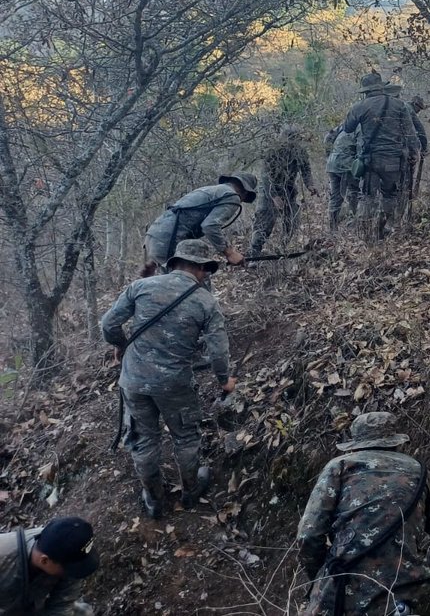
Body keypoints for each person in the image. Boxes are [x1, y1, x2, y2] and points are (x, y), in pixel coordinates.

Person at [101, 239, 236, 518]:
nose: (206, 275)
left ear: (174, 263)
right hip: (175, 384)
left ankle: (154, 499)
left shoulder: (141, 287)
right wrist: (224, 380)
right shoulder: (205, 301)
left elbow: (108, 324)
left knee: (143, 439)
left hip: (134, 380)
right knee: (185, 436)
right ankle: (190, 490)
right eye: (205, 270)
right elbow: (218, 350)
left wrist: (120, 345)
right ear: (200, 268)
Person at [297, 412, 430, 616]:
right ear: (395, 443)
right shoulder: (419, 472)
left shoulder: (339, 467)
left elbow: (308, 537)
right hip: (412, 595)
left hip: (347, 595)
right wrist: (422, 572)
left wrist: (323, 576)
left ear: (356, 444)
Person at [339, 74, 420, 240]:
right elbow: (411, 133)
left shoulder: (359, 107)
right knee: (390, 195)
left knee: (368, 197)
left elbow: (347, 129)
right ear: (381, 87)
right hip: (394, 160)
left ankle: (366, 235)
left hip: (370, 161)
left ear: (365, 91)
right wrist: (414, 152)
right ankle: (384, 228)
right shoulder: (400, 105)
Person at [142, 173, 257, 275]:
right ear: (246, 192)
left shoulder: (212, 190)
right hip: (168, 240)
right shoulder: (232, 196)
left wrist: (155, 259)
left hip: (154, 234)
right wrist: (230, 253)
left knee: (167, 287)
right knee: (190, 286)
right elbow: (210, 226)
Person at [0, 516, 100, 616]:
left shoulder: (71, 553)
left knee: (82, 613)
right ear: (44, 560)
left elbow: (62, 604)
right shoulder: (4, 556)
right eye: (67, 570)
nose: (71, 574)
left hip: (32, 604)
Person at [248, 125, 317, 256]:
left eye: (295, 139)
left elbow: (306, 170)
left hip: (289, 189)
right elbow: (266, 176)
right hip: (269, 189)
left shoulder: (300, 152)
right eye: (289, 139)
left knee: (292, 219)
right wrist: (274, 196)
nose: (292, 143)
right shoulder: (273, 152)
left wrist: (310, 185)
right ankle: (254, 252)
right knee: (264, 219)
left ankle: (282, 247)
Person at [325, 127, 361, 231]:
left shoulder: (344, 126)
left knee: (335, 196)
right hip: (346, 165)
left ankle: (333, 228)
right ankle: (353, 223)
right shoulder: (360, 128)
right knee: (354, 192)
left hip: (332, 164)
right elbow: (361, 148)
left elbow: (328, 137)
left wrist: (328, 156)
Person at [409, 95, 429, 202]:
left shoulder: (398, 107)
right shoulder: (409, 110)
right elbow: (420, 131)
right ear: (414, 104)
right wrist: (424, 148)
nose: (418, 112)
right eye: (419, 109)